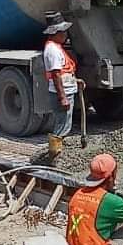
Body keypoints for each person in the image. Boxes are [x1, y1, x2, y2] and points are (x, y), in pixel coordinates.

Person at [43, 11, 78, 158]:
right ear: (56, 32)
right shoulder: (52, 49)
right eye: (63, 31)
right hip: (62, 94)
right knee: (61, 126)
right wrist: (62, 97)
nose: (66, 34)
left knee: (64, 124)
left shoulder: (56, 47)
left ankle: (57, 152)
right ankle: (54, 154)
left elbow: (63, 72)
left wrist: (76, 81)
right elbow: (56, 74)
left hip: (67, 90)